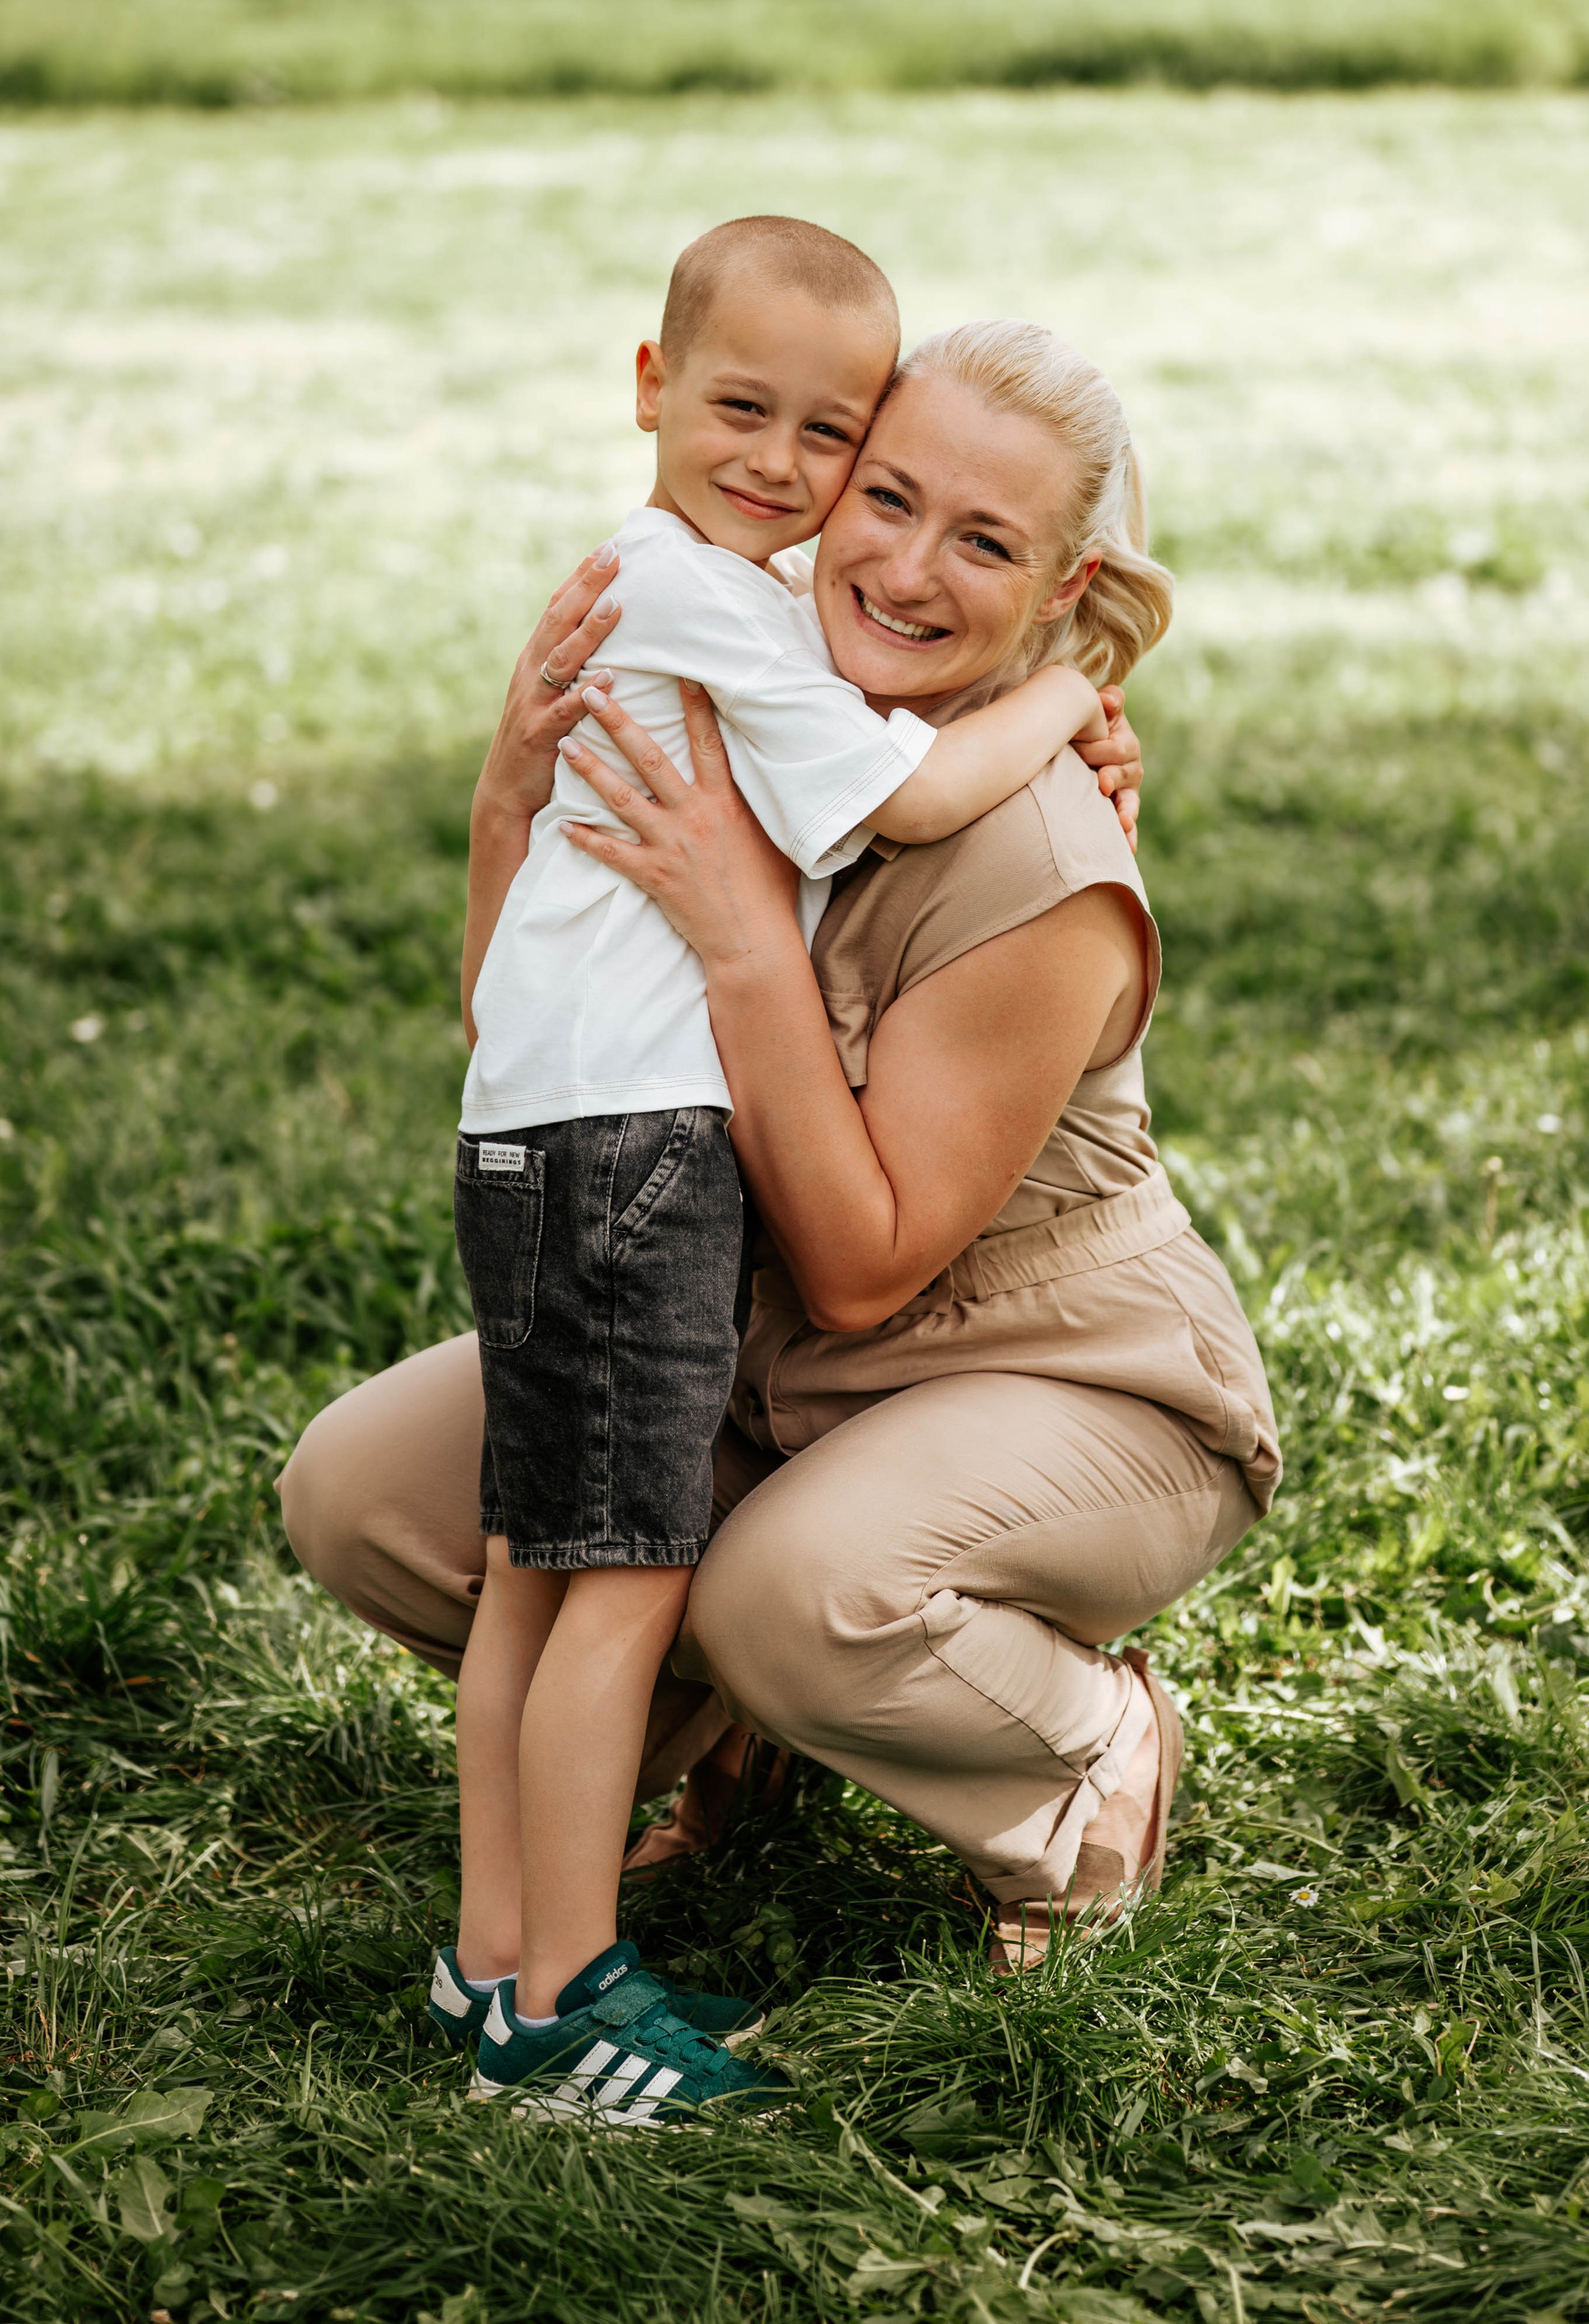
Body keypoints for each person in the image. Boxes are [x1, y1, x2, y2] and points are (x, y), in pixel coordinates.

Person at [280, 317, 1279, 2046]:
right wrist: (513, 790)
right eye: (886, 497)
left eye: (985, 541)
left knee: (795, 1597)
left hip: (1055, 1374)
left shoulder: (1036, 851)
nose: (906, 565)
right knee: (367, 1491)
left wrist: (748, 939)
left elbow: (868, 1261)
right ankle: (741, 1725)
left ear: (1065, 587)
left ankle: (1084, 1754)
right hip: (756, 1358)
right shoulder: (753, 703)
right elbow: (527, 1023)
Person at [444, 220, 1134, 2123]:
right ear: (651, 389)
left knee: (533, 1578)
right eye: (874, 485)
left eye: (829, 436)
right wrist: (1064, 700)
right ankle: (565, 1994)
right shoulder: (723, 618)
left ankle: (494, 1955)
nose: (790, 471)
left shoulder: (657, 589)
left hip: (539, 1140)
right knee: (621, 1588)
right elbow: (916, 792)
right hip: (637, 1157)